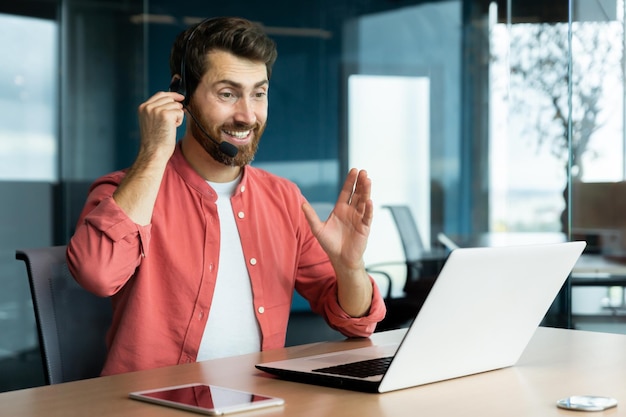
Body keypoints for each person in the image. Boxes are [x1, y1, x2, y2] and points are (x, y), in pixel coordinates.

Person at [66, 16, 386, 376]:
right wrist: (155, 152)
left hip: (258, 401)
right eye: (228, 93)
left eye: (258, 93)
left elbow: (356, 323)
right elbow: (97, 275)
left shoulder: (283, 198)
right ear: (181, 95)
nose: (247, 115)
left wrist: (349, 268)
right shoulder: (125, 190)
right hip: (148, 405)